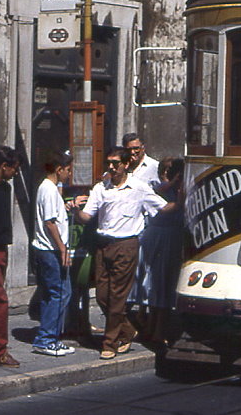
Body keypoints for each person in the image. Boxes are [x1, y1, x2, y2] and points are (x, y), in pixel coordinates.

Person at [73, 146, 179, 360]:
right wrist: (75, 210)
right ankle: (127, 330)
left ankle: (109, 342)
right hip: (103, 245)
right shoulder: (100, 188)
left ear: (126, 164)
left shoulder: (139, 188)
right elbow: (87, 216)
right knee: (103, 295)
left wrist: (181, 200)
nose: (111, 167)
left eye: (115, 163)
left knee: (118, 297)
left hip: (127, 245)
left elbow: (163, 208)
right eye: (108, 163)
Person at [128, 157, 185, 348]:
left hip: (172, 237)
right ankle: (154, 329)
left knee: (163, 286)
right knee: (156, 283)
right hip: (160, 238)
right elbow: (159, 192)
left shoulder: (180, 190)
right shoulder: (159, 188)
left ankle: (155, 327)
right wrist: (175, 182)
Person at [31, 152, 83, 357]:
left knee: (51, 294)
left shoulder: (49, 189)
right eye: (68, 170)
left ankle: (49, 336)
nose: (69, 174)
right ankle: (46, 338)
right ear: (58, 169)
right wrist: (63, 249)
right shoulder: (49, 190)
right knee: (61, 293)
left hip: (45, 249)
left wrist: (66, 206)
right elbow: (49, 222)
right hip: (50, 250)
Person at [0, 145, 20, 367]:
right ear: (4, 166)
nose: (15, 173)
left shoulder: (6, 188)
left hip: (1, 248)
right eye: (13, 168)